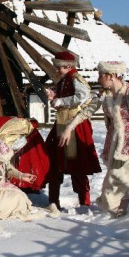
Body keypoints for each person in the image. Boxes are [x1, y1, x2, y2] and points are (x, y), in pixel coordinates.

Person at [59, 61, 129, 221]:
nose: (98, 78)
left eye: (100, 75)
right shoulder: (104, 96)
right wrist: (69, 128)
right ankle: (120, 215)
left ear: (110, 76)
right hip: (119, 143)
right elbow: (85, 112)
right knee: (116, 181)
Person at [45, 51, 101, 211]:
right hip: (61, 124)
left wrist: (60, 100)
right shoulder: (64, 80)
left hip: (75, 126)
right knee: (54, 160)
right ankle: (53, 201)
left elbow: (82, 97)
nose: (57, 70)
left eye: (60, 67)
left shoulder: (76, 79)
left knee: (77, 163)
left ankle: (85, 202)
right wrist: (54, 97)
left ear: (69, 66)